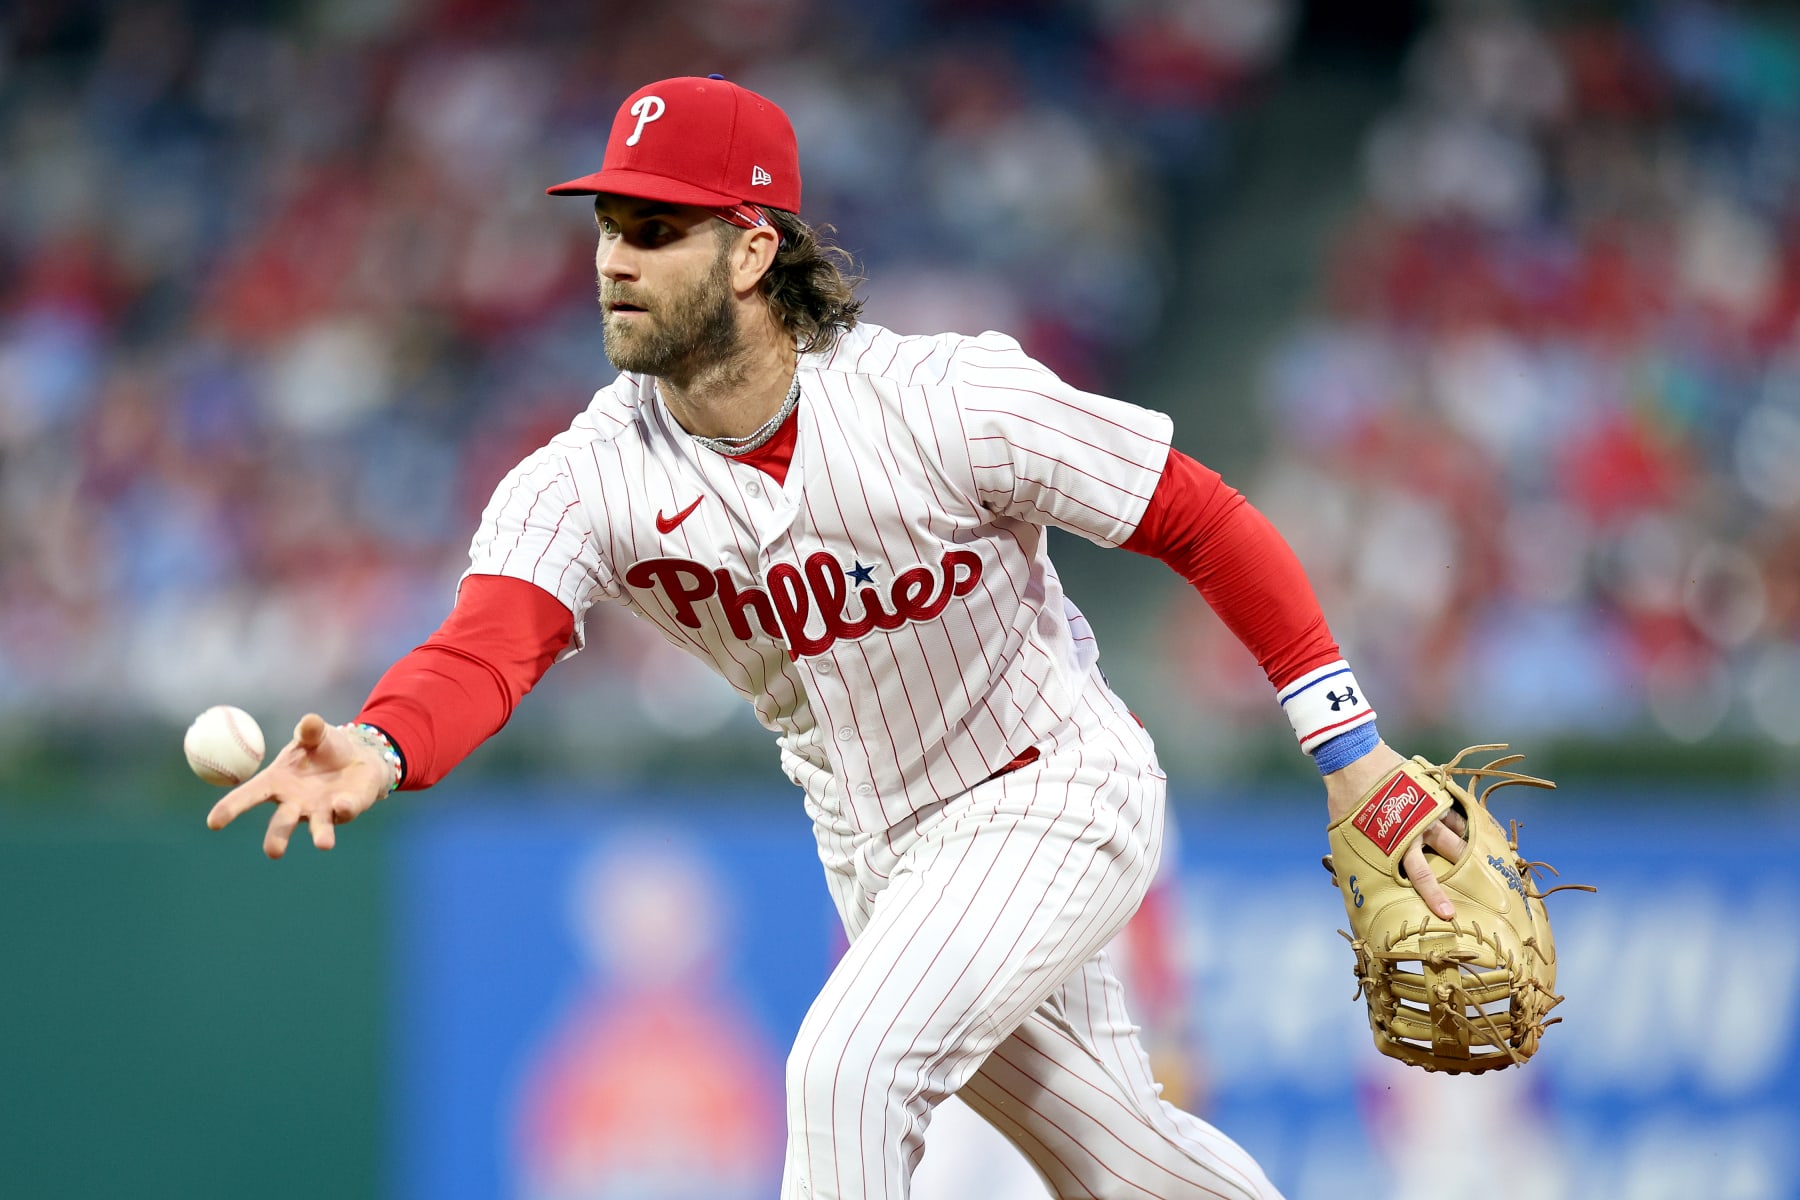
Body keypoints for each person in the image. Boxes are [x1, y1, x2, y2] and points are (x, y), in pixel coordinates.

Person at [207, 75, 1468, 1200]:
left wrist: (1350, 753)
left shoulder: (943, 402)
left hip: (1051, 794)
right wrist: (382, 739)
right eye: (605, 226)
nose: (613, 259)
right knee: (1122, 1162)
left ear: (753, 249)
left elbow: (1203, 518)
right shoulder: (583, 478)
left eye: (654, 229)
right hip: (883, 862)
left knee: (846, 1070)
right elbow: (491, 644)